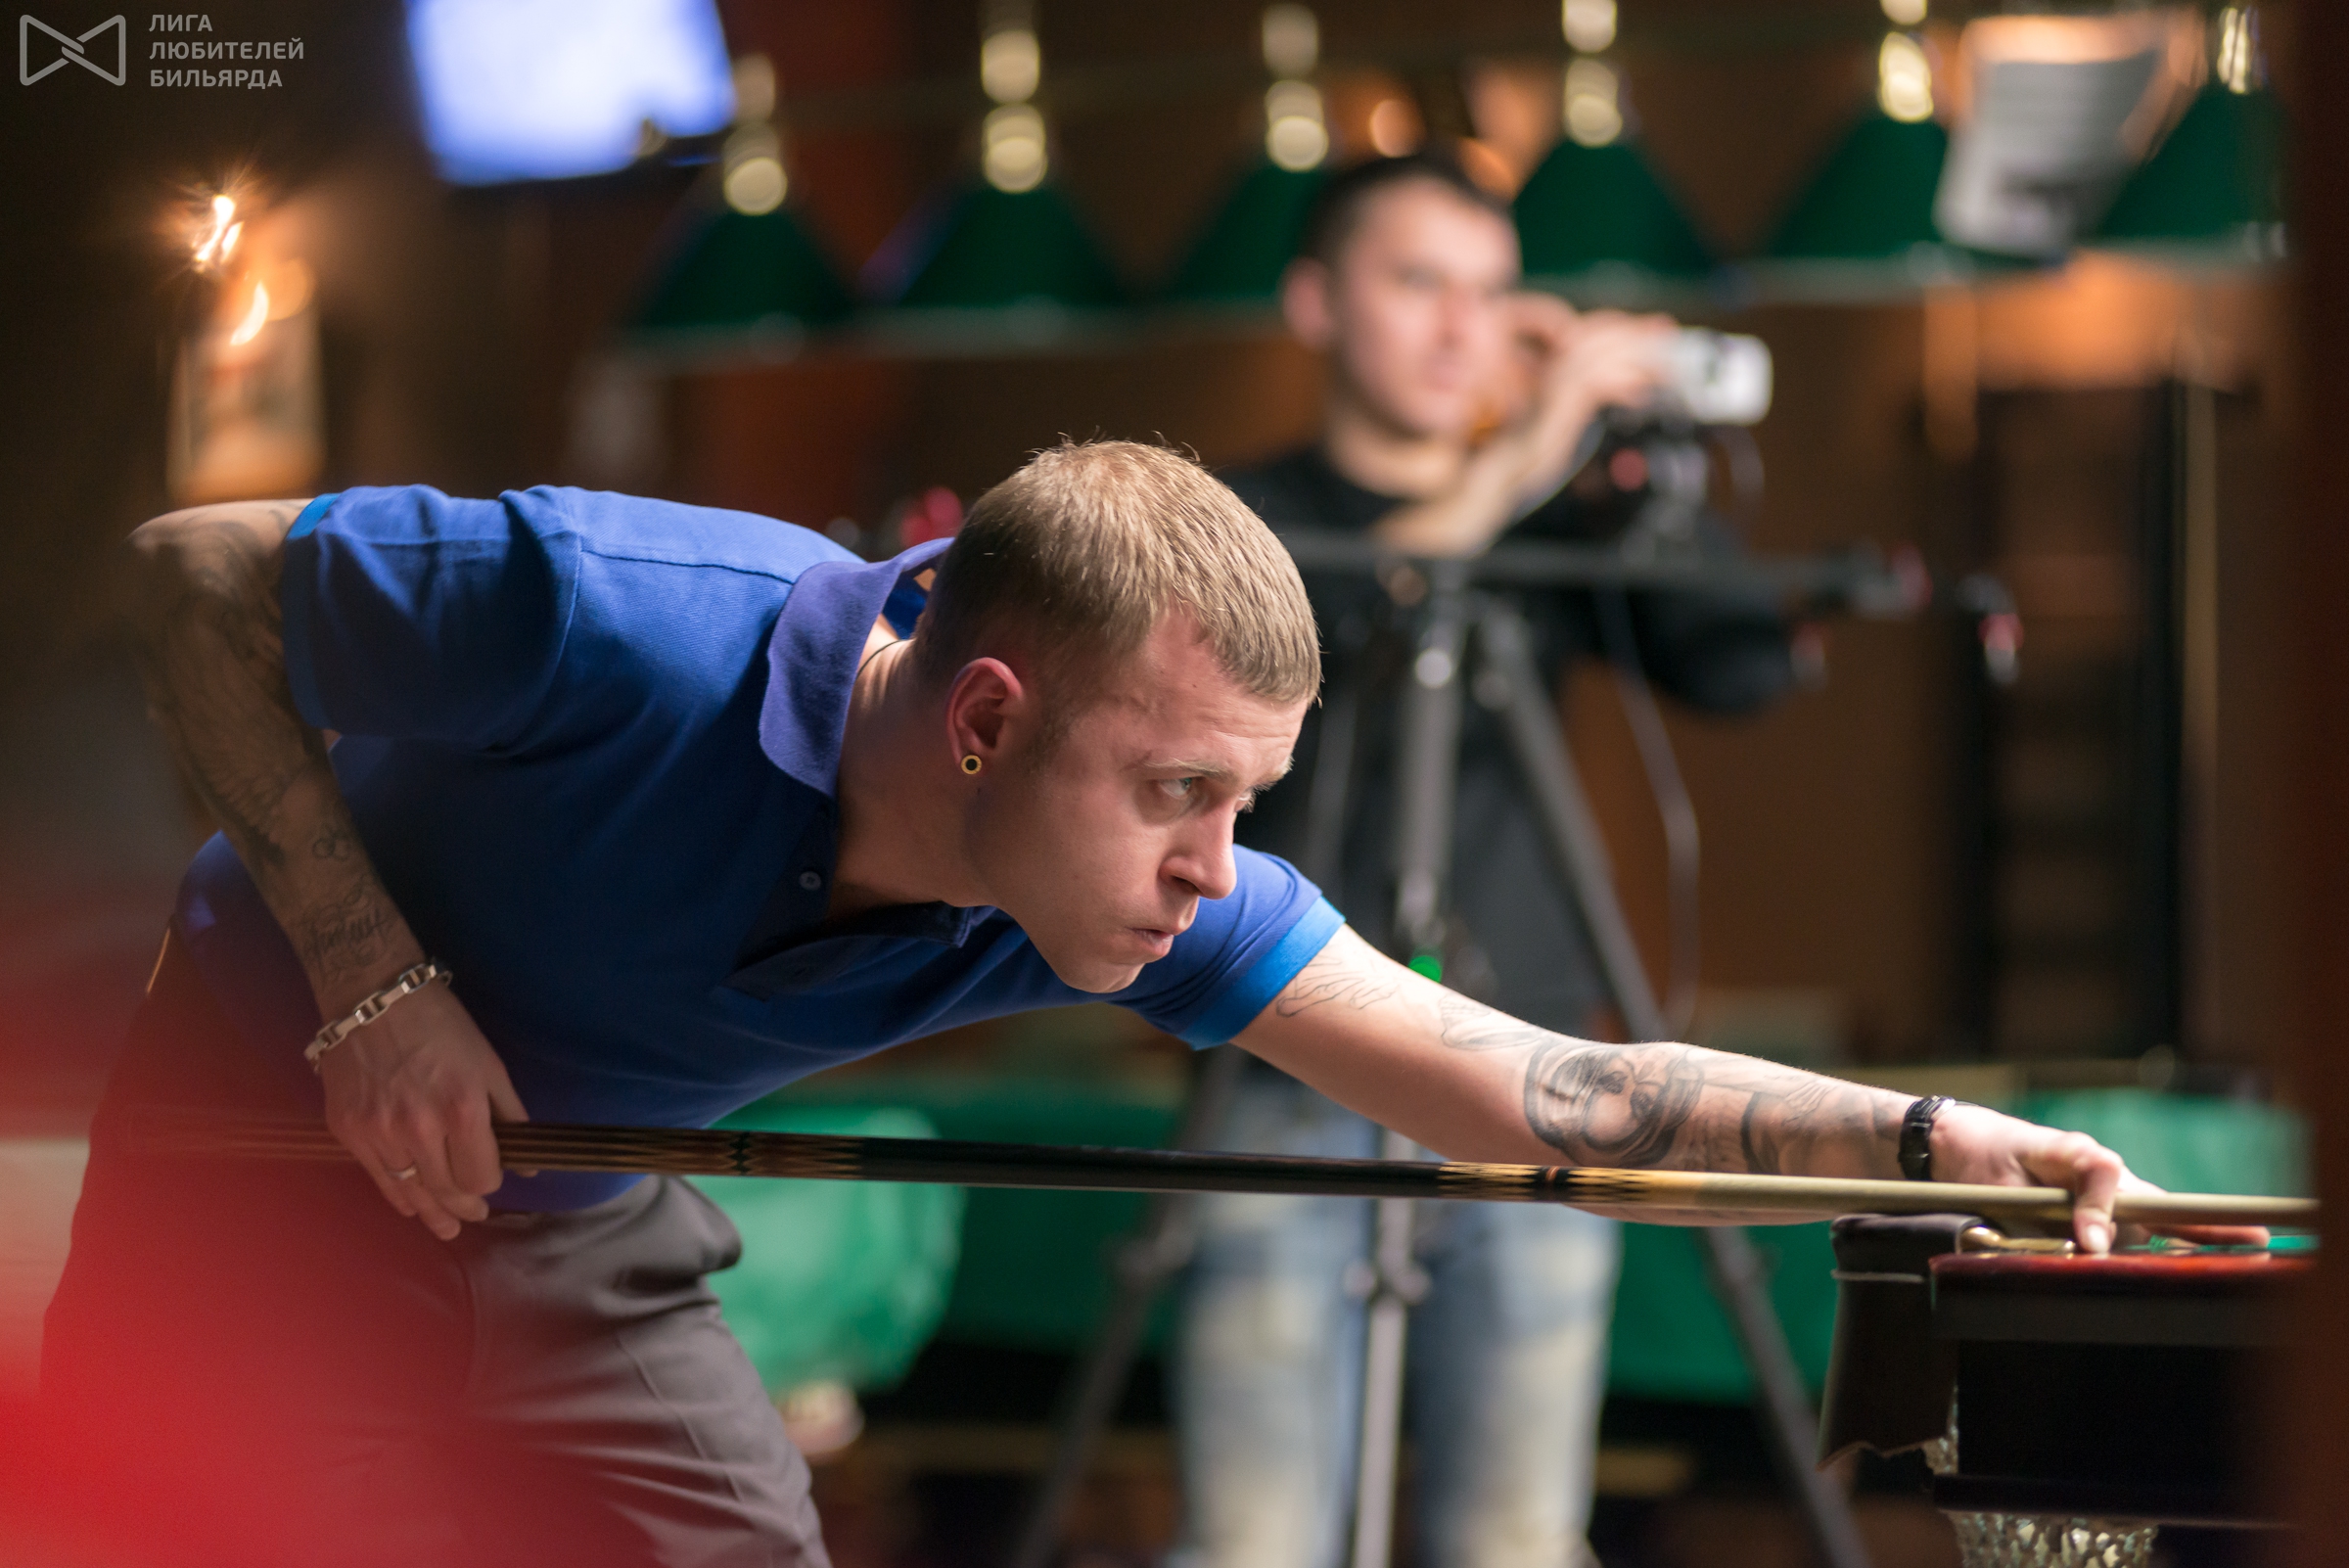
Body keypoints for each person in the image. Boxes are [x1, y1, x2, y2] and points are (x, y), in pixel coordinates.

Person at [43, 441, 2211, 1568]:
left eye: (1240, 802)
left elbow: (1535, 1083)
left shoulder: (1128, 891)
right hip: (256, 1182)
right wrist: (371, 976)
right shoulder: (621, 615)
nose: (1212, 863)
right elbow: (188, 572)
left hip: (576, 1223)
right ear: (987, 719)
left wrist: (1939, 1143)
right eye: (1182, 792)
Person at [1178, 155, 1790, 1568]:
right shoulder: (1235, 520)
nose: (1464, 329)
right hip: (1283, 1064)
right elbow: (1332, 625)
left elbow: (1746, 664)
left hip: (1527, 1078)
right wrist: (1527, 449)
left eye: (1492, 293)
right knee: (1251, 1539)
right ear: (1316, 302)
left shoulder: (1552, 515)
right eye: (1418, 284)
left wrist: (1629, 461)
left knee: (1516, 1537)